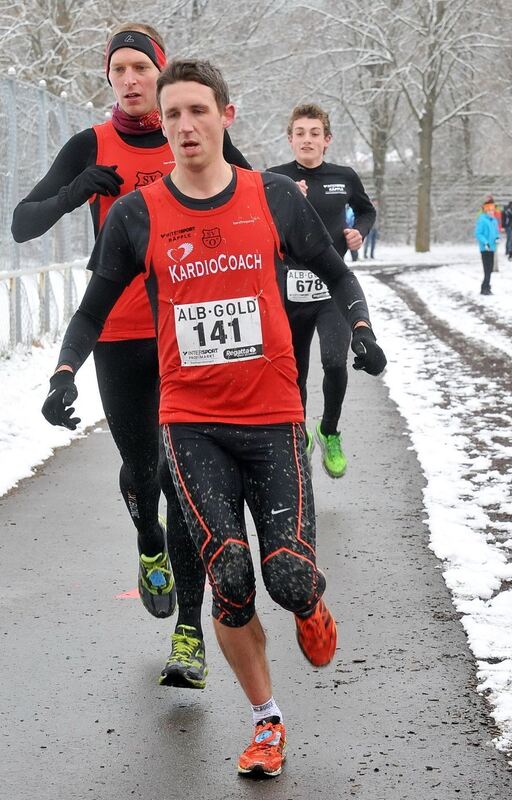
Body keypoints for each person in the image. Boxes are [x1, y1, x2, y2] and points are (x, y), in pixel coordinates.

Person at [40, 58, 386, 777]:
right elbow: (93, 309)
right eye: (172, 115)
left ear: (226, 117)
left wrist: (358, 329)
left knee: (287, 578)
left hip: (274, 415)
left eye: (198, 110)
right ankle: (266, 722)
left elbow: (336, 271)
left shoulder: (273, 198)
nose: (184, 125)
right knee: (228, 573)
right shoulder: (139, 215)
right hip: (191, 421)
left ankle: (309, 604)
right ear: (161, 126)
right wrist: (64, 372)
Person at [12, 24, 249, 688]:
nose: (130, 80)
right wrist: (81, 185)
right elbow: (22, 222)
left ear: (162, 71)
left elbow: (256, 201)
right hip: (118, 332)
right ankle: (149, 541)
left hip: (190, 331)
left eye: (141, 67)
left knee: (185, 479)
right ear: (110, 78)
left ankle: (189, 635)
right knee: (145, 473)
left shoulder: (195, 132)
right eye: (118, 69)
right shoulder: (93, 142)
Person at [268, 104, 376, 478]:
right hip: (289, 290)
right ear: (290, 138)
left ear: (326, 139)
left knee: (334, 362)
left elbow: (366, 210)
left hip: (331, 288)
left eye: (315, 133)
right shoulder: (274, 178)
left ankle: (328, 430)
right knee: (293, 373)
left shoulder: (343, 177)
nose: (307, 139)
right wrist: (287, 200)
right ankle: (299, 432)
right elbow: (259, 225)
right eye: (300, 133)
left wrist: (359, 231)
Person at [475, 199, 500, 295]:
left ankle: (487, 286)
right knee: (487, 269)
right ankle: (484, 287)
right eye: (489, 210)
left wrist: (497, 238)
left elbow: (496, 232)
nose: (491, 212)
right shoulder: (482, 220)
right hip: (485, 248)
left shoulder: (494, 221)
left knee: (490, 269)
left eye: (492, 210)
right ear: (485, 210)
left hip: (492, 247)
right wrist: (485, 242)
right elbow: (478, 233)